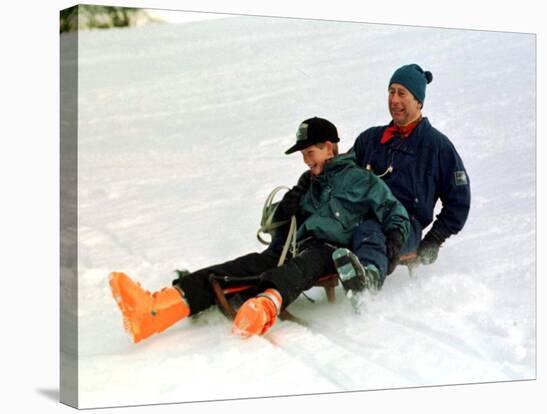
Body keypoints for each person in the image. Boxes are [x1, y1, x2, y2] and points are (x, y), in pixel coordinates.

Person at [109, 117, 410, 344]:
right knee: (239, 267)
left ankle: (265, 307)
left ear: (329, 148)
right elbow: (277, 224)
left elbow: (395, 213)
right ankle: (155, 310)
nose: (306, 161)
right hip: (293, 246)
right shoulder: (308, 184)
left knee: (304, 265)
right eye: (303, 155)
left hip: (333, 251)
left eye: (310, 153)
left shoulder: (360, 180)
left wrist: (393, 244)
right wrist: (288, 205)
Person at [351, 64, 471, 270]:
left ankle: (366, 285)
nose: (394, 100)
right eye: (391, 92)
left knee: (371, 233)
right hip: (359, 219)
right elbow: (343, 173)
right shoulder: (370, 139)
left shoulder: (437, 147)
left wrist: (435, 238)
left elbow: (459, 200)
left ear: (418, 101)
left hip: (404, 228)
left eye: (402, 93)